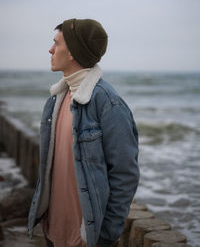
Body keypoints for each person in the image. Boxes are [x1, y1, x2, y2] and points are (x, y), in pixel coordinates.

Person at [28, 18, 140, 247]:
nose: (50, 49)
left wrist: (106, 234)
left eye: (56, 43)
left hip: (87, 238)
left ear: (71, 52)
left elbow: (125, 174)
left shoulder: (108, 103)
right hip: (53, 230)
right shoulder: (56, 100)